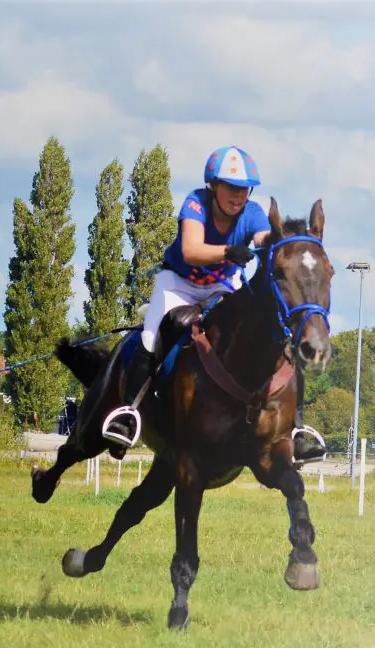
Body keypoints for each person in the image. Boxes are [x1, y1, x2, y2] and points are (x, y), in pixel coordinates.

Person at [103, 145, 324, 463]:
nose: (238, 196)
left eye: (243, 189)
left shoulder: (252, 212)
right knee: (151, 338)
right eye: (231, 188)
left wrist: (281, 243)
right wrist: (227, 252)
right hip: (179, 283)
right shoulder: (195, 204)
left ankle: (295, 428)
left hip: (221, 285)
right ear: (214, 186)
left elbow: (263, 238)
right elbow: (192, 250)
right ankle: (128, 414)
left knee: (265, 335)